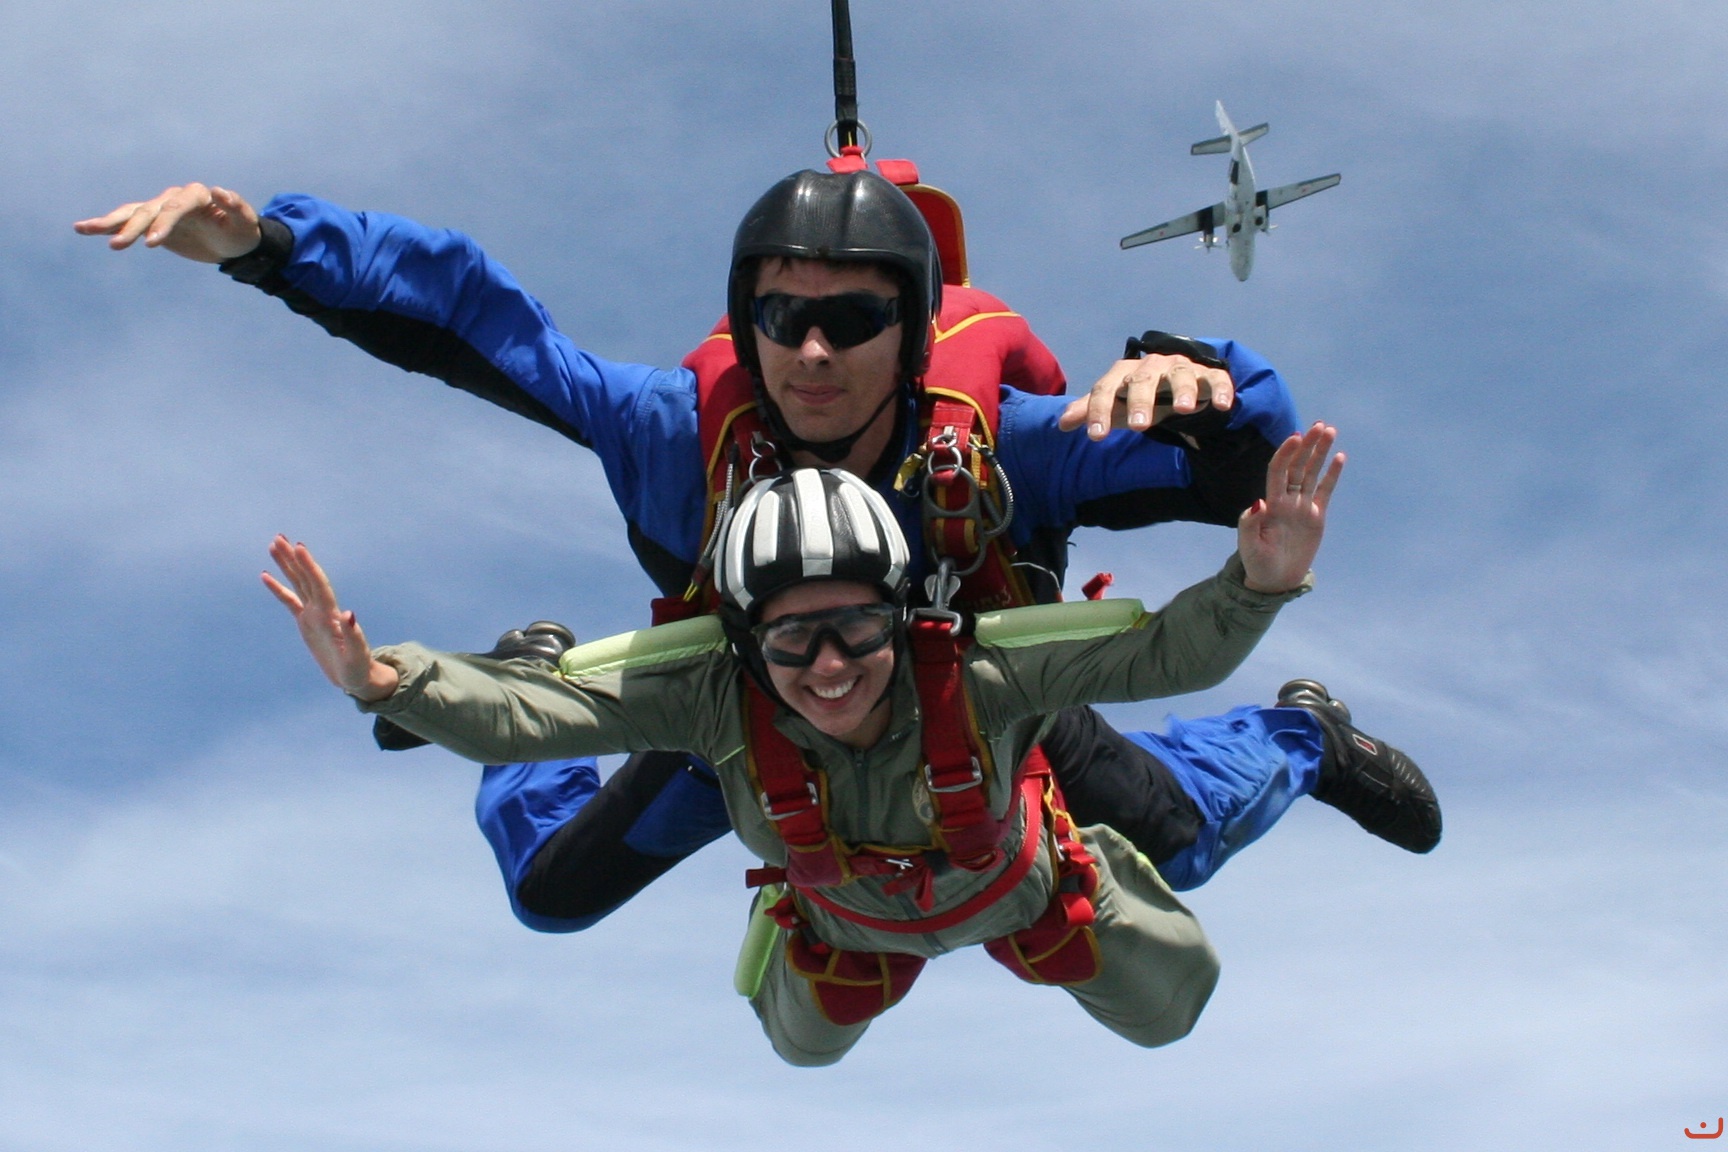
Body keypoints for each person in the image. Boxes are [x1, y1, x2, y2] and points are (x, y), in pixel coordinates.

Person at [77, 172, 1439, 933]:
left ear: (916, 329)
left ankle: (1303, 734)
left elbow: (1262, 481)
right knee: (552, 894)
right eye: (782, 319)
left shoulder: (1006, 446)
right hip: (748, 707)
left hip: (983, 702)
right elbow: (475, 325)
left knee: (1180, 849)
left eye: (856, 319)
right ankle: (536, 673)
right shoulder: (676, 432)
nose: (814, 352)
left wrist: (1201, 378)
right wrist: (269, 246)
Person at [261, 423, 1341, 1064]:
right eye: (791, 641)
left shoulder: (981, 673)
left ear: (901, 617)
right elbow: (534, 716)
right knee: (801, 1037)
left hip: (1021, 890)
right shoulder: (715, 699)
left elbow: (1162, 658)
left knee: (1171, 996)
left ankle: (1309, 735)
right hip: (848, 921)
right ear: (744, 643)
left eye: (856, 629)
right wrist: (385, 682)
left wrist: (1259, 584)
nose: (828, 667)